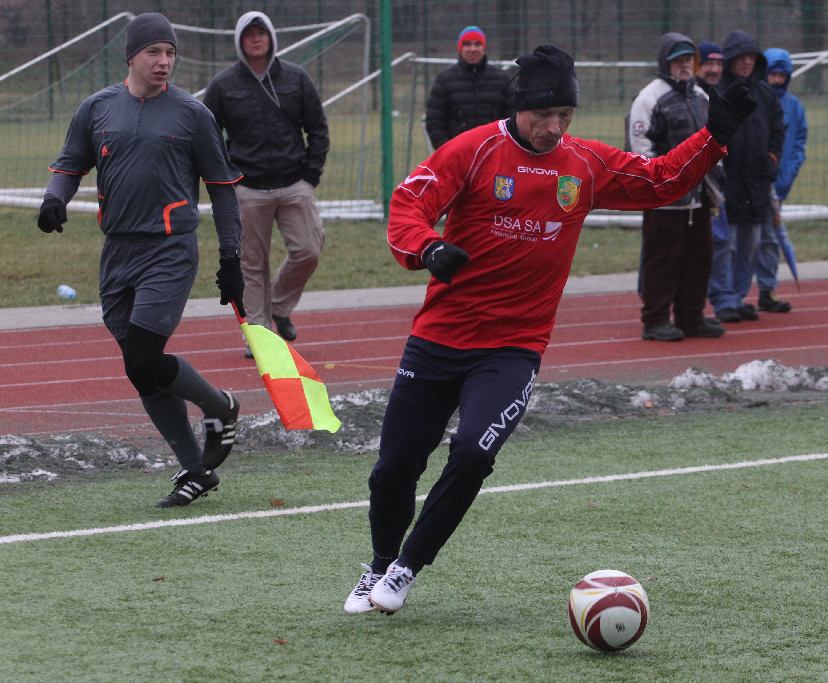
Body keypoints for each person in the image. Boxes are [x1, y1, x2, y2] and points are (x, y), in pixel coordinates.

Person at [342, 44, 755, 615]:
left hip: (512, 349)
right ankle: (379, 563)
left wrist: (716, 135)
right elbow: (408, 203)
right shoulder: (473, 150)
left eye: (565, 115)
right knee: (393, 470)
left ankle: (407, 566)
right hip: (438, 339)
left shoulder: (583, 163)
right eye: (544, 115)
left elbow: (660, 180)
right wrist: (428, 248)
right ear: (519, 106)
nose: (554, 127)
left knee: (473, 453)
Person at [36, 13, 244, 507]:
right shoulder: (96, 108)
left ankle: (220, 406)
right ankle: (196, 471)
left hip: (169, 250)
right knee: (139, 368)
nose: (164, 61)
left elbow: (223, 190)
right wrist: (54, 198)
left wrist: (231, 257)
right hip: (117, 252)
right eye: (154, 52)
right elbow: (70, 164)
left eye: (170, 52)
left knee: (145, 356)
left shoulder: (192, 113)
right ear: (131, 56)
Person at [204, 11, 329, 356]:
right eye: (249, 34)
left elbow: (318, 128)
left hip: (294, 183)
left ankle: (279, 305)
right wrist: (227, 178)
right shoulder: (224, 85)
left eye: (261, 33)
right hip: (247, 188)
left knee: (308, 250)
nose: (256, 39)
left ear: (271, 37)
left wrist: (310, 175)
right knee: (251, 263)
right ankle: (258, 336)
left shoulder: (296, 78)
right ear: (240, 41)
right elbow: (207, 133)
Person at [627, 32, 725, 341]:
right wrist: (666, 181)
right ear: (665, 62)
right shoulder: (648, 99)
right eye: (678, 60)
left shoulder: (701, 96)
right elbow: (640, 150)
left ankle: (691, 317)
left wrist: (715, 178)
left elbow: (714, 139)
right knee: (662, 260)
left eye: (688, 59)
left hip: (700, 196)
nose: (684, 65)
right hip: (664, 199)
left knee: (699, 259)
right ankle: (655, 319)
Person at [707, 31, 785, 323]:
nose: (747, 62)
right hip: (727, 180)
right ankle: (723, 297)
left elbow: (778, 130)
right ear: (729, 60)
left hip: (757, 181)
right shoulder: (717, 93)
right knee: (725, 244)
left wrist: (772, 159)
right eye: (740, 57)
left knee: (751, 245)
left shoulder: (765, 94)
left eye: (751, 57)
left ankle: (738, 295)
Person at [754, 47, 808, 313]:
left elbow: (799, 143)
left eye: (782, 76)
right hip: (755, 183)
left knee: (770, 239)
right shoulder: (755, 101)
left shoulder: (794, 106)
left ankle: (767, 289)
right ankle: (729, 293)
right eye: (772, 74)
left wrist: (787, 175)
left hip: (779, 185)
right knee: (745, 239)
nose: (777, 80)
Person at [424, 25, 514, 150]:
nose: (473, 49)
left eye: (477, 44)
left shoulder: (502, 79)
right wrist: (448, 151)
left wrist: (502, 149)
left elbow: (513, 118)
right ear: (460, 48)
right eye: (467, 44)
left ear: (484, 48)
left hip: (494, 153)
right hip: (458, 154)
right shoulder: (444, 81)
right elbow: (434, 122)